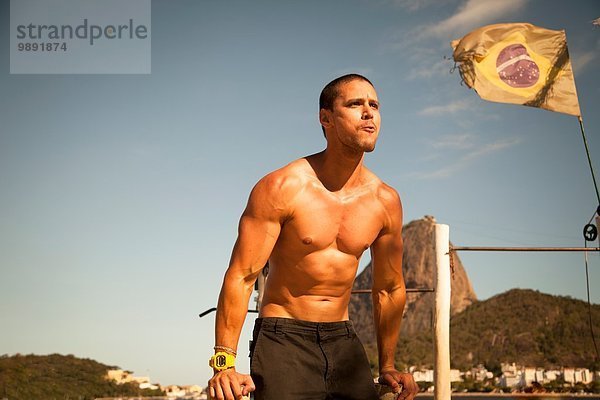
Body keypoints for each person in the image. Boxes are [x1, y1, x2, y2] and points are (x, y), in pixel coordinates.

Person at [207, 74, 418, 400]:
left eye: (374, 105)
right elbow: (242, 275)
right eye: (355, 104)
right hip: (283, 336)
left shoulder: (385, 201)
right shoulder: (282, 187)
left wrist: (387, 365)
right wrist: (224, 363)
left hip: (343, 338)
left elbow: (389, 289)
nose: (368, 113)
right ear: (326, 118)